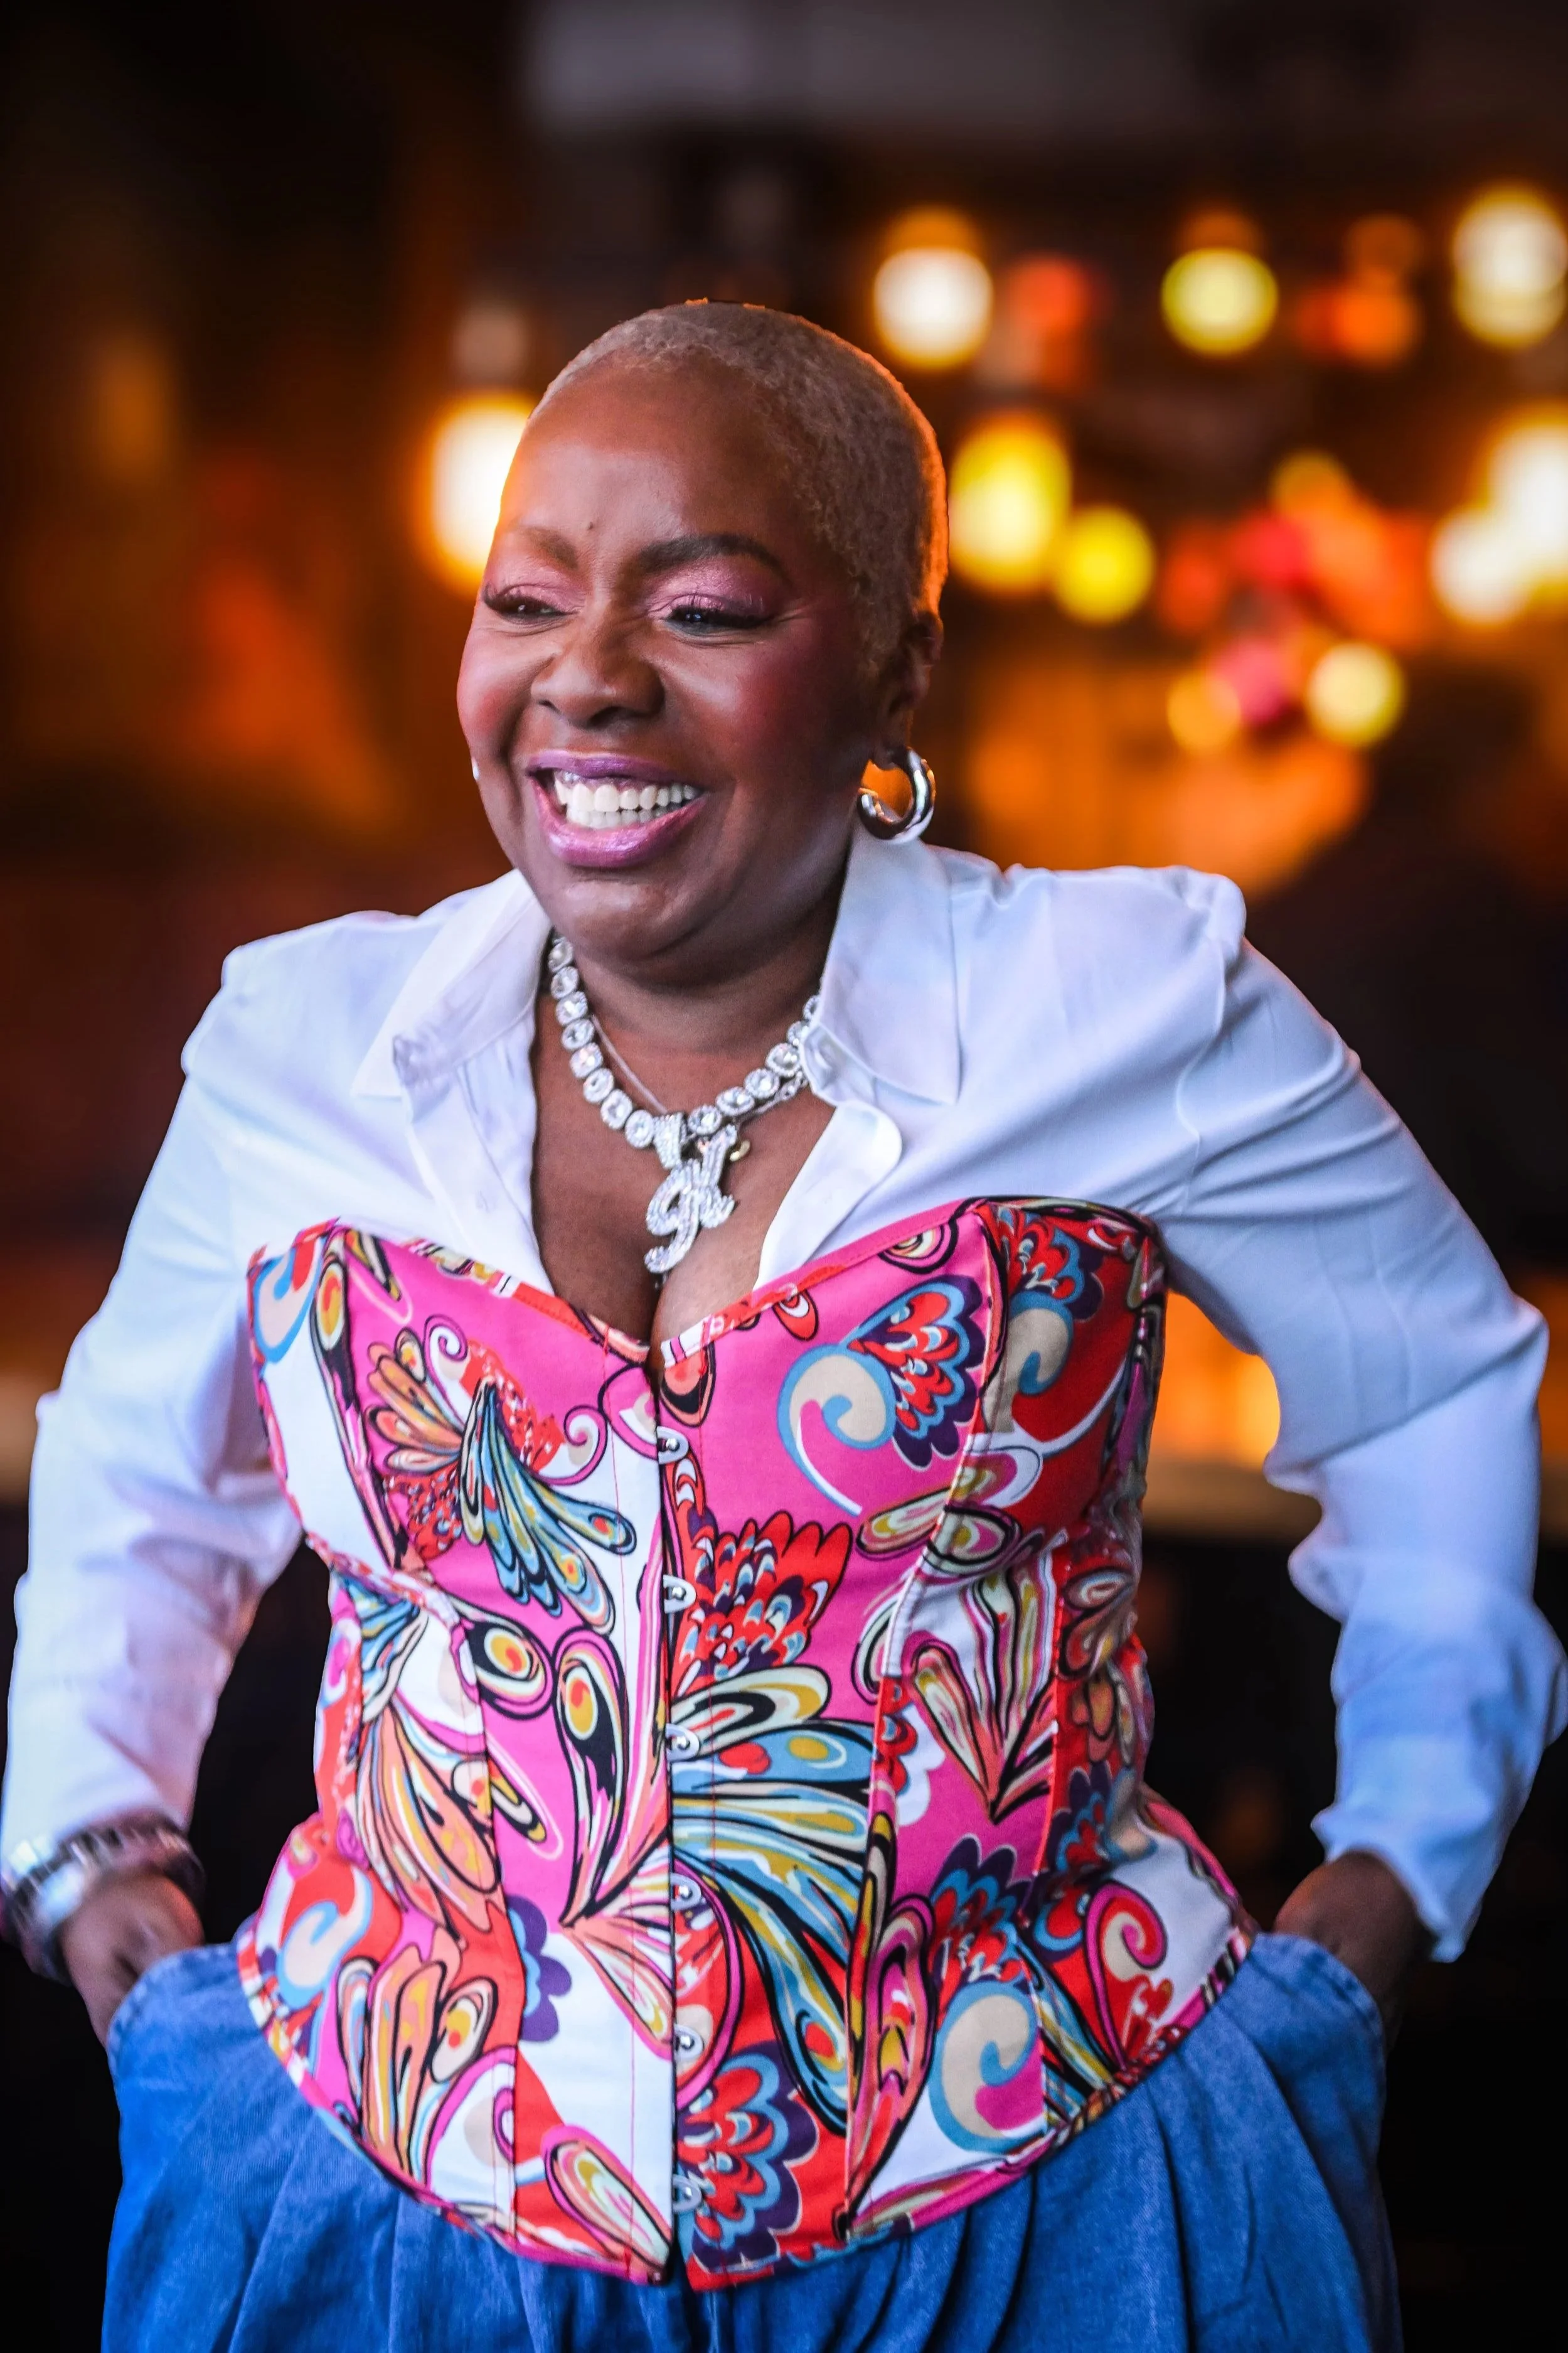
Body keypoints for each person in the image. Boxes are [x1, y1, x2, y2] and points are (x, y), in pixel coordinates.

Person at [2, 303, 1562, 2353]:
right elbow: (137, 1460)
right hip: (379, 2220)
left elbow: (1436, 1368)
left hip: (1052, 2215)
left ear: (898, 666)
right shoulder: (312, 1045)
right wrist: (96, 1855)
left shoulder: (1119, 1005)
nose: (587, 677)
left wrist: (1392, 1885)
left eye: (706, 605)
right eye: (526, 599)